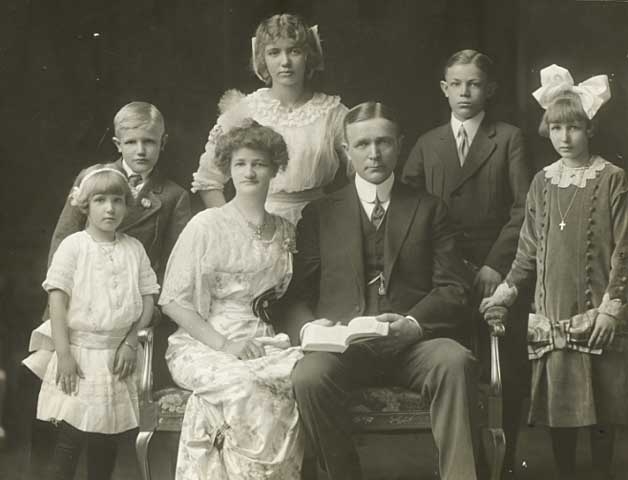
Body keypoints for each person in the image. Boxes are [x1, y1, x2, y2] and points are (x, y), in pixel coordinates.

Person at [287, 102, 478, 480]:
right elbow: (294, 295)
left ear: (399, 145)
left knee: (455, 361)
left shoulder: (428, 208)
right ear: (346, 150)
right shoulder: (320, 214)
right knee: (308, 377)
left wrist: (413, 323)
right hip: (344, 347)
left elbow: (454, 286)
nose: (373, 153)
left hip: (414, 345)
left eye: (384, 142)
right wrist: (312, 330)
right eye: (362, 145)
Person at [480, 64, 627, 480]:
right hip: (553, 315)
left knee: (602, 410)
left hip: (596, 314)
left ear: (590, 130)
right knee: (561, 414)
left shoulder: (614, 179)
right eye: (557, 128)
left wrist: (610, 308)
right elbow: (528, 249)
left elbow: (625, 250)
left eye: (574, 128)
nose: (565, 138)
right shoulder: (542, 183)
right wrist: (507, 291)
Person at [401, 49, 531, 476]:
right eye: (456, 84)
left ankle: (505, 460)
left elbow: (522, 206)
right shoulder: (427, 143)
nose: (464, 92)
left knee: (504, 366)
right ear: (444, 88)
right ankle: (463, 459)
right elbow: (410, 207)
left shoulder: (507, 137)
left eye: (473, 83)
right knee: (456, 366)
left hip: (497, 270)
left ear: (489, 89)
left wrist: (496, 264)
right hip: (446, 271)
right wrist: (448, 266)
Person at [159, 120, 304, 479]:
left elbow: (284, 297)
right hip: (203, 341)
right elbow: (173, 302)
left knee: (298, 381)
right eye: (240, 164)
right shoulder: (206, 224)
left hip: (262, 339)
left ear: (275, 169)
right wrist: (226, 344)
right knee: (246, 386)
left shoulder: (285, 229)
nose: (249, 171)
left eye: (259, 163)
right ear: (228, 169)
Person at [23, 166, 159, 480]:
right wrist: (64, 355)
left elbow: (149, 296)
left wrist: (130, 342)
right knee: (70, 439)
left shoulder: (133, 249)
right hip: (79, 355)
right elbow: (57, 303)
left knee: (106, 440)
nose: (109, 208)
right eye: (100, 200)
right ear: (86, 205)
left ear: (127, 205)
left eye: (117, 200)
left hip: (115, 358)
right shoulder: (74, 247)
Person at [191, 13, 348, 225]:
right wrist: (236, 228)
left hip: (322, 223)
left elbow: (363, 174)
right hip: (259, 224)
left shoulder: (333, 113)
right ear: (262, 59)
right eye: (274, 52)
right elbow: (208, 180)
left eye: (294, 51)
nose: (285, 62)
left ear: (308, 56)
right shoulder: (245, 110)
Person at [49, 101, 192, 283]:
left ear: (162, 142)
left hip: (136, 293)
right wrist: (60, 296)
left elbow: (174, 263)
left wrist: (152, 304)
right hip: (84, 286)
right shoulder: (93, 177)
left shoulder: (174, 196)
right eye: (131, 142)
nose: (140, 151)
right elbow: (63, 238)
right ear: (118, 144)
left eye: (149, 141)